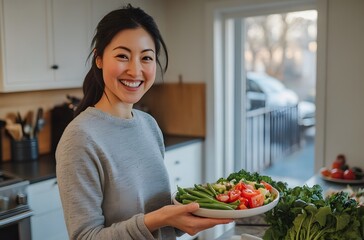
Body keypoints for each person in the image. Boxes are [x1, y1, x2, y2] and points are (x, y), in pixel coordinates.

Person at [56, 4, 233, 240]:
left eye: (146, 58)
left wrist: (195, 210)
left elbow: (154, 219)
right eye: (122, 56)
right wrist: (161, 218)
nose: (135, 70)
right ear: (98, 59)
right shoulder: (80, 137)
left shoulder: (148, 125)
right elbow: (85, 236)